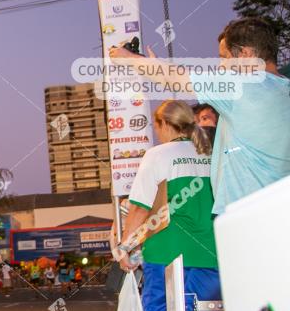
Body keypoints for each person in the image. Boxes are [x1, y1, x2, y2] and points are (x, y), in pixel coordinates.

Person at [109, 16, 290, 215]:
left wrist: (125, 57)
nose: (221, 67)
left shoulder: (244, 85)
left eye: (225, 57)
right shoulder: (282, 89)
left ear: (246, 54)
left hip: (247, 216)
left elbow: (174, 79)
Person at [115, 100, 220, 311]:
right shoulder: (210, 155)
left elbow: (139, 209)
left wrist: (126, 248)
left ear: (163, 125)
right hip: (210, 255)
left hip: (167, 255)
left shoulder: (158, 155)